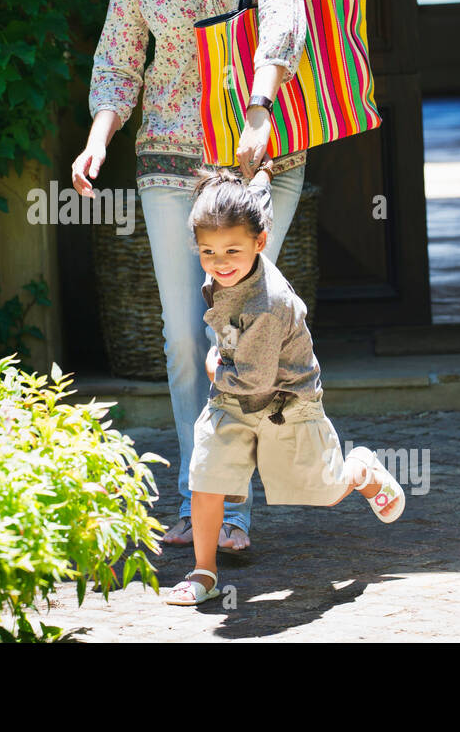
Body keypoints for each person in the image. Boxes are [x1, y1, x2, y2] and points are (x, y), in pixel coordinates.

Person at [72, 0, 310, 553]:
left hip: (257, 160)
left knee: (241, 332)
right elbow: (118, 59)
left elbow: (283, 13)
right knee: (185, 340)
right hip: (170, 160)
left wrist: (262, 105)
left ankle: (253, 489)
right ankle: (214, 508)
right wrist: (98, 137)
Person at [163, 166, 405, 605]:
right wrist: (262, 174)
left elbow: (254, 379)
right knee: (205, 477)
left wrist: (214, 366)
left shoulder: (268, 304)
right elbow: (260, 202)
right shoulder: (234, 260)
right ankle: (204, 571)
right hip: (233, 403)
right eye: (207, 252)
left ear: (260, 242)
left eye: (231, 251)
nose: (220, 264)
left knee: (326, 492)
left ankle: (362, 471)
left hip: (285, 402)